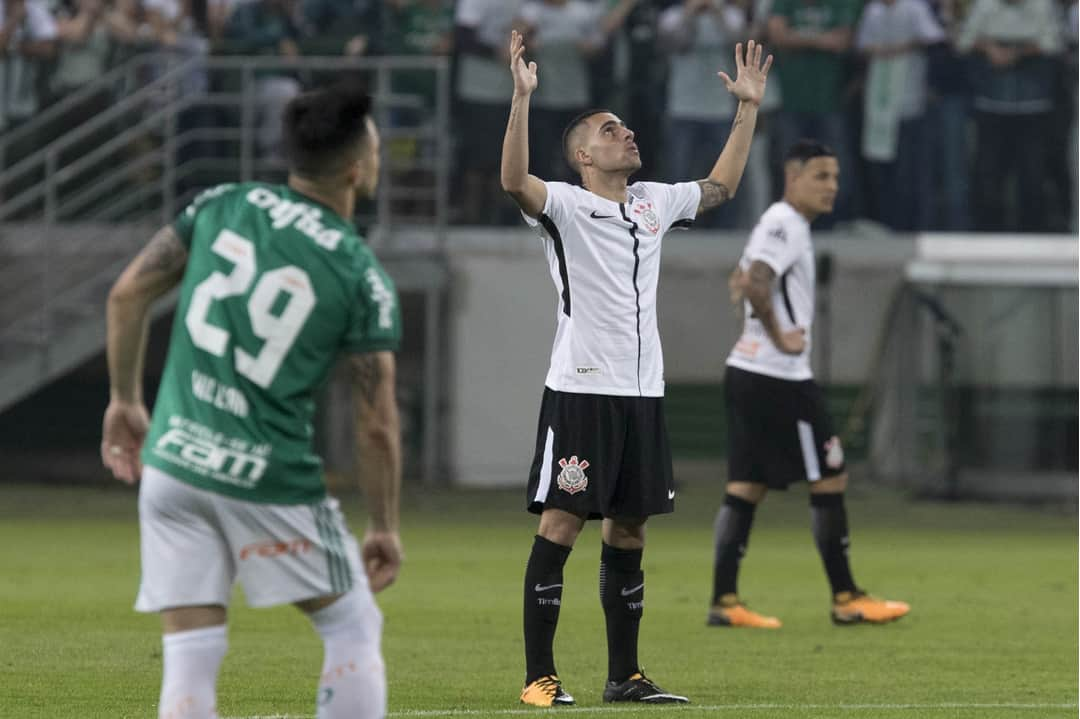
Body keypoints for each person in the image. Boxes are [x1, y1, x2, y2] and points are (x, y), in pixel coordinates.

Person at [100, 85, 404, 719]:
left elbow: (128, 294)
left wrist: (125, 400)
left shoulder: (220, 204)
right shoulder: (359, 273)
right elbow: (375, 425)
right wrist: (383, 525)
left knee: (190, 651)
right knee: (352, 624)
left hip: (172, 462)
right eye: (373, 146)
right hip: (266, 476)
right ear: (357, 168)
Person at [500, 29, 771, 706]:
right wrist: (522, 99)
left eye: (625, 126)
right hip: (582, 389)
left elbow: (722, 185)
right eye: (610, 129)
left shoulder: (653, 202)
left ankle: (625, 675)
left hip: (643, 395)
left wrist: (748, 108)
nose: (627, 133)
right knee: (562, 521)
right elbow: (512, 180)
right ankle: (539, 676)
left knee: (629, 528)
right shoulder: (564, 205)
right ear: (584, 155)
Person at [708, 139, 910, 630]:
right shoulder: (786, 223)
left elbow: (741, 279)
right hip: (780, 377)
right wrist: (781, 335)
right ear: (791, 176)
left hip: (748, 371)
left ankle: (724, 601)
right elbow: (755, 282)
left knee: (747, 485)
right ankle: (846, 597)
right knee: (830, 473)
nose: (832, 187)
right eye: (821, 176)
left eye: (836, 178)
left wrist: (756, 324)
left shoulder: (774, 222)